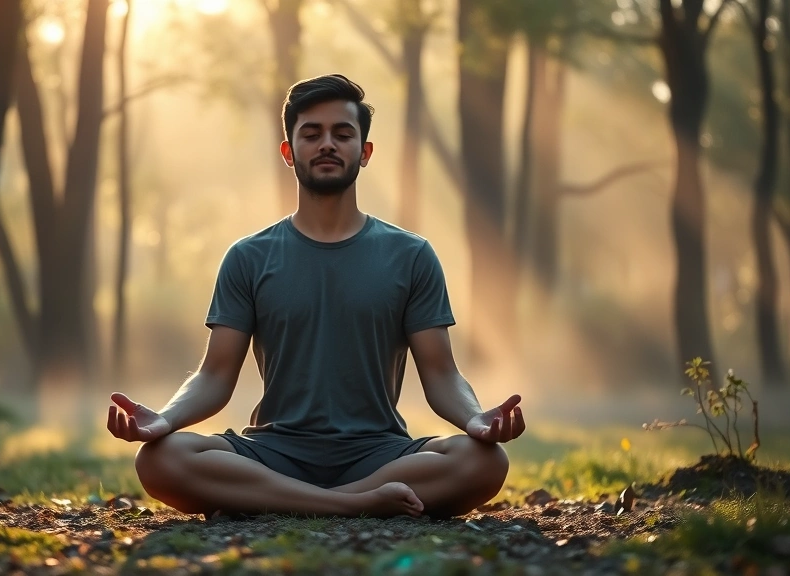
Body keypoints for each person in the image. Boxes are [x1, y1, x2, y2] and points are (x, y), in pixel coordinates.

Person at [107, 74, 525, 519]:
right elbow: (214, 375)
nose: (327, 144)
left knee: (484, 460)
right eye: (312, 134)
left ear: (364, 152)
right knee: (159, 458)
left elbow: (441, 374)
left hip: (377, 453)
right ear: (289, 152)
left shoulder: (411, 255)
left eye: (342, 134)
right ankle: (355, 505)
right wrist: (165, 419)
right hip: (274, 452)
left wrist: (475, 419)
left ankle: (285, 501)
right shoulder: (249, 257)